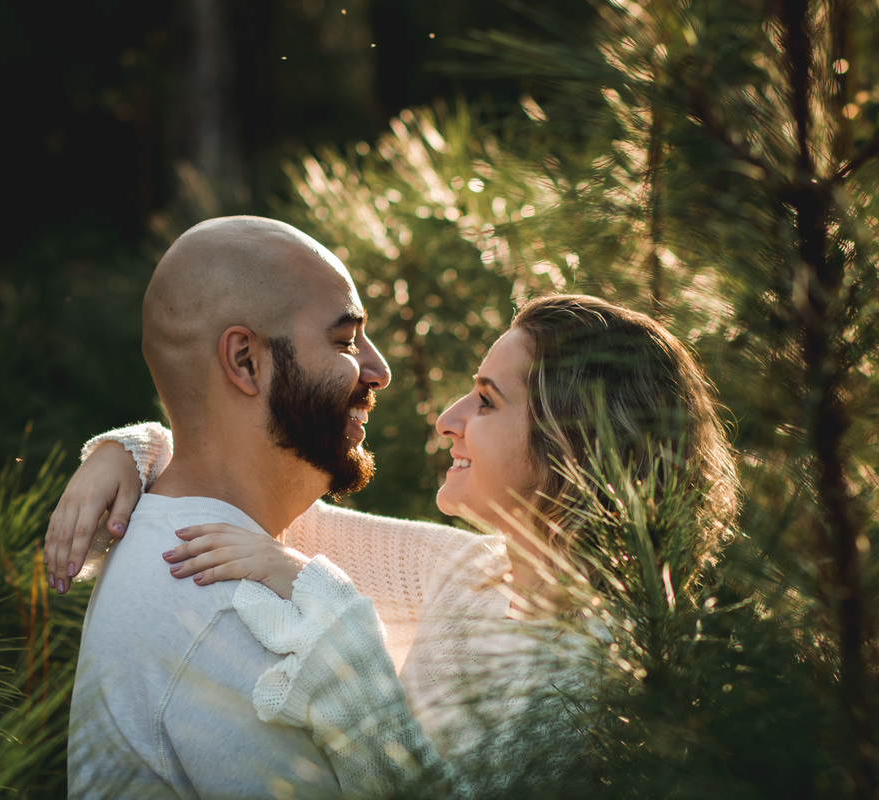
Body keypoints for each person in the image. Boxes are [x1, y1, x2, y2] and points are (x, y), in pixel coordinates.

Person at [52, 294, 738, 797]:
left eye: (487, 401)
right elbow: (280, 516)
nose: (448, 420)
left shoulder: (594, 674)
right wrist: (135, 450)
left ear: (573, 445)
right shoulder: (474, 574)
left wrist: (346, 652)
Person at [63, 215, 505, 799]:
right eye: (345, 341)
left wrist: (137, 447)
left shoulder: (224, 543)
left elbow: (475, 571)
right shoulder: (227, 605)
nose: (380, 370)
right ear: (245, 361)